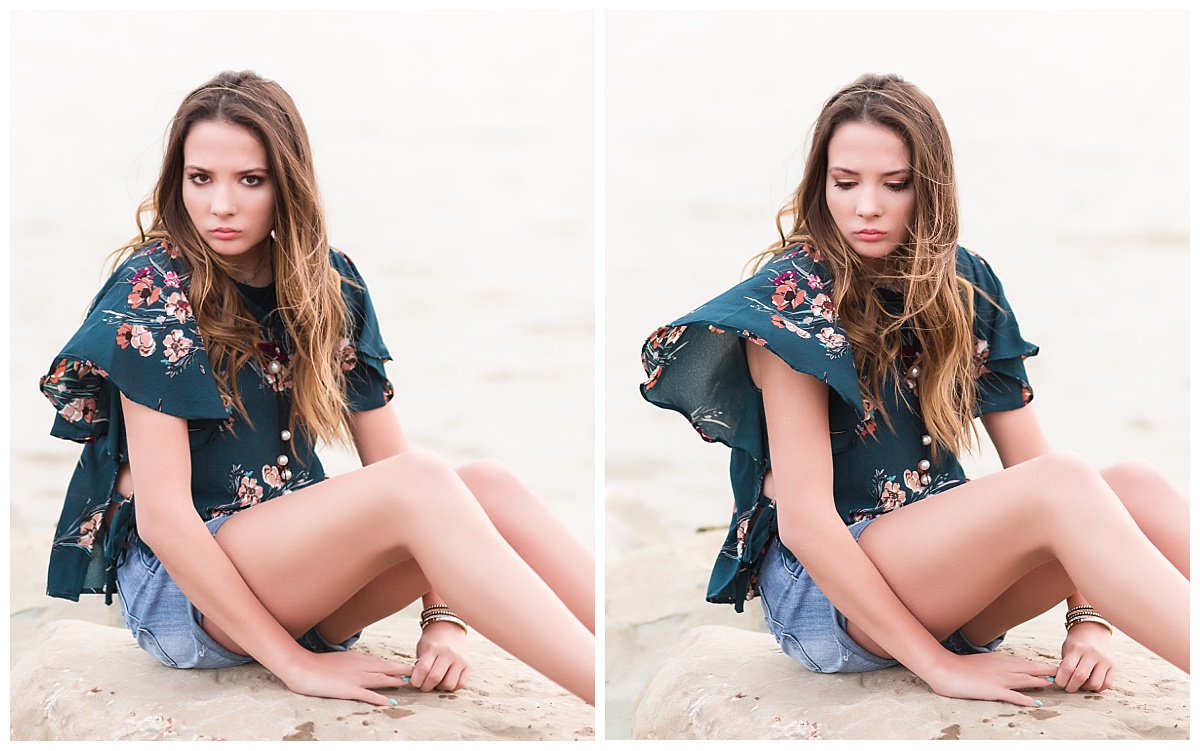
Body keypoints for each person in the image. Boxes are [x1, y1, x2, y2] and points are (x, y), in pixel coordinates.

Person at [39, 70, 595, 707]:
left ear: (286, 183)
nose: (222, 205)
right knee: (421, 479)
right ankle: (600, 699)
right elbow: (165, 519)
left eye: (250, 179)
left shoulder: (329, 282)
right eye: (202, 179)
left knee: (488, 484)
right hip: (186, 593)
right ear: (178, 181)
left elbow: (396, 466)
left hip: (304, 580)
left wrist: (443, 619)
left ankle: (607, 686)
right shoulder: (153, 287)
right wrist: (294, 665)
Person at [640, 73, 1187, 707]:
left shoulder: (964, 282)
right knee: (1066, 478)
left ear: (928, 189)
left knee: (1135, 484)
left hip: (945, 580)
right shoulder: (790, 302)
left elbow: (1033, 467)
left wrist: (1087, 619)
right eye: (845, 183)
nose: (866, 206)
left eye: (894, 185)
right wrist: (938, 668)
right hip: (829, 595)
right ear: (822, 185)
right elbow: (806, 524)